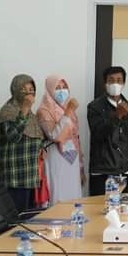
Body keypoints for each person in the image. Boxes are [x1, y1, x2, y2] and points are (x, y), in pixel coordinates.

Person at [0, 74, 46, 213]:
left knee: (28, 216)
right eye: (24, 89)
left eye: (31, 89)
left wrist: (42, 148)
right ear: (15, 89)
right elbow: (13, 136)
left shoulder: (31, 114)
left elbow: (36, 136)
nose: (28, 93)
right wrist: (24, 109)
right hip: (16, 178)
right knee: (17, 217)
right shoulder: (8, 111)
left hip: (30, 177)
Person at [87, 66, 128, 196]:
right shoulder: (95, 107)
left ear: (124, 83)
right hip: (102, 171)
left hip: (125, 170)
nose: (115, 84)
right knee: (100, 207)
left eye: (119, 80)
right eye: (111, 80)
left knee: (123, 208)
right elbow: (98, 133)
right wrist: (117, 116)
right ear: (105, 83)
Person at [37, 74, 84, 205]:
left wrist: (81, 168)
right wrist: (69, 111)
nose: (62, 91)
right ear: (50, 90)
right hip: (56, 157)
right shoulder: (43, 111)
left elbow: (76, 138)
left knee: (73, 195)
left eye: (64, 87)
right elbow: (55, 136)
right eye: (57, 88)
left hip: (72, 158)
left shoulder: (69, 110)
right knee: (58, 194)